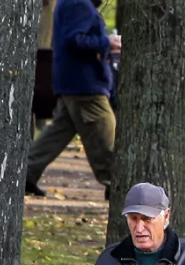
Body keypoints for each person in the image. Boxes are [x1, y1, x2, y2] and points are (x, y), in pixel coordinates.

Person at [25, 0, 120, 198]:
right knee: (105, 133)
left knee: (56, 134)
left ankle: (26, 173)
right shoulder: (78, 3)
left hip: (74, 83)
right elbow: (74, 39)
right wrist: (107, 43)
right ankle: (118, 184)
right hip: (85, 85)